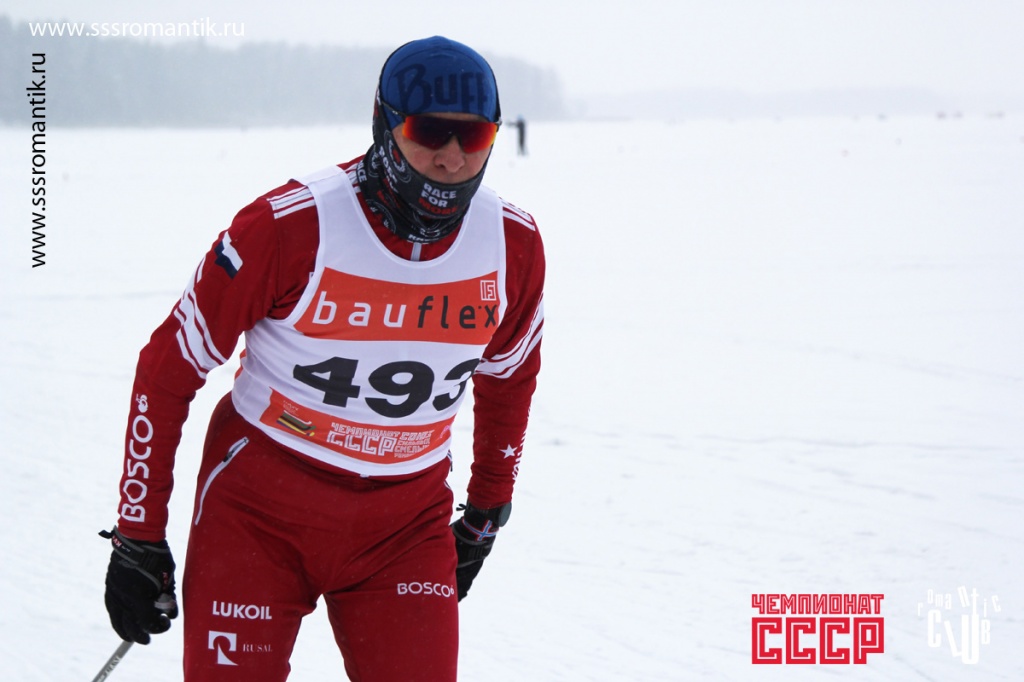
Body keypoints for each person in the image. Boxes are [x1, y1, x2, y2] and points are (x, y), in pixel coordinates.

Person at [100, 36, 545, 682]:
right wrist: (138, 534)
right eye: (430, 133)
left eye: (473, 137)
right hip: (258, 521)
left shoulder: (511, 244)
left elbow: (511, 379)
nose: (452, 158)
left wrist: (485, 513)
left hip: (403, 530)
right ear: (385, 124)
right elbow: (168, 369)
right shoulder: (290, 226)